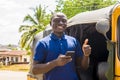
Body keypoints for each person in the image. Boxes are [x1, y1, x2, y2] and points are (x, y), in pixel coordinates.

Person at [32, 12, 91, 80]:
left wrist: (86, 55)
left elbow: (84, 67)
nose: (60, 23)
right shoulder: (42, 43)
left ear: (67, 23)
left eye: (64, 21)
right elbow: (35, 70)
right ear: (50, 23)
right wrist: (55, 63)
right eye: (56, 20)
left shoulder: (73, 41)